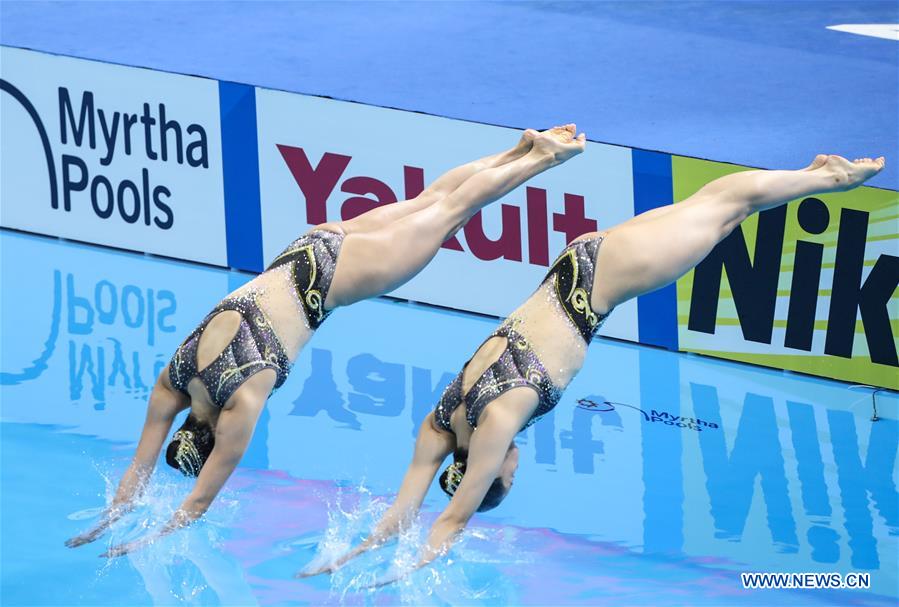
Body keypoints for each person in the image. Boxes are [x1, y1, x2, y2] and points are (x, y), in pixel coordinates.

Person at [305, 153, 886, 583]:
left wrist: (397, 576)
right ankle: (816, 172)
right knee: (713, 209)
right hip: (575, 265)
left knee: (724, 208)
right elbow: (404, 507)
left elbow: (447, 521)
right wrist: (352, 552)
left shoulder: (498, 424)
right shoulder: (443, 419)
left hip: (603, 284)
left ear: (496, 473)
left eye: (508, 475)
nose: (516, 465)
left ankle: (832, 179)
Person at [64, 124, 589, 557]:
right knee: (431, 200)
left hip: (330, 280)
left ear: (211, 440)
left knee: (449, 214)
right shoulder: (173, 381)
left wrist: (146, 539)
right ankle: (519, 147)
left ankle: (541, 158)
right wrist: (115, 513)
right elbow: (140, 463)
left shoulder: (243, 400)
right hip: (307, 248)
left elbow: (198, 504)